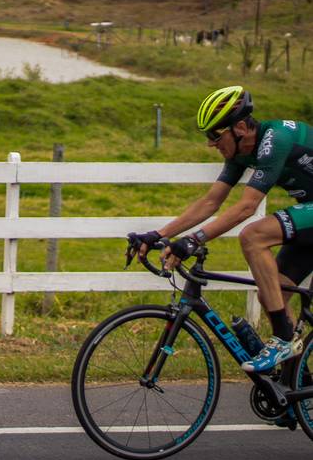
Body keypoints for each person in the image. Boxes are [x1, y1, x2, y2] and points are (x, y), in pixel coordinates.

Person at [130, 85, 313, 374]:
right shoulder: (240, 153)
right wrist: (160, 234)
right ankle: (295, 386)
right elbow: (211, 201)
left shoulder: (274, 139)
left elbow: (246, 207)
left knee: (253, 236)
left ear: (240, 127)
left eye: (215, 135)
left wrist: (193, 240)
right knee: (271, 294)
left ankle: (282, 340)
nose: (211, 144)